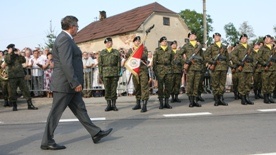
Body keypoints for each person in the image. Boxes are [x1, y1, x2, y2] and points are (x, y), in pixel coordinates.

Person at [41, 16, 112, 150]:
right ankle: (47, 141)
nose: (78, 29)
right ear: (72, 26)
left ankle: (95, 133)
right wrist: (74, 82)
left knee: (80, 109)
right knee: (55, 113)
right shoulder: (64, 39)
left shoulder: (67, 39)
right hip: (65, 84)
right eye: (77, 26)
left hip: (69, 85)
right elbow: (66, 63)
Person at [4, 44, 38, 111]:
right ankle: (14, 106)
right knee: (12, 92)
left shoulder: (17, 56)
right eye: (12, 49)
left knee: (25, 90)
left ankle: (30, 104)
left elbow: (23, 60)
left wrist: (19, 54)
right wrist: (10, 53)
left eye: (13, 49)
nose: (13, 50)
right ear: (8, 49)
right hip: (12, 77)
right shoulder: (7, 56)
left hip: (20, 76)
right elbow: (8, 61)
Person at [126, 36, 149, 112]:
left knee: (144, 87)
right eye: (136, 41)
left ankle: (144, 105)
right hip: (135, 72)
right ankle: (138, 103)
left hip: (143, 70)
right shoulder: (130, 50)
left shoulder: (143, 48)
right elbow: (127, 58)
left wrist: (138, 52)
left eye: (139, 41)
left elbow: (145, 56)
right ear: (134, 42)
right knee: (137, 87)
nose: (137, 42)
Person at [205, 33, 229, 106]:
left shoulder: (224, 47)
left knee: (222, 83)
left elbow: (227, 58)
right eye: (215, 37)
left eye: (218, 36)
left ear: (220, 37)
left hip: (223, 67)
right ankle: (216, 99)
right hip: (215, 68)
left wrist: (227, 67)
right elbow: (206, 56)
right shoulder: (211, 47)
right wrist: (212, 62)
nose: (217, 38)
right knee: (215, 84)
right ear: (213, 38)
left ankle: (221, 98)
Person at [180, 32, 204, 107]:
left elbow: (203, 57)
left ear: (195, 36)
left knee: (196, 85)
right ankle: (191, 101)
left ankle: (195, 100)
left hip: (198, 68)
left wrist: (202, 65)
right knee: (190, 85)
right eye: (190, 36)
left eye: (193, 35)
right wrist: (185, 61)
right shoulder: (186, 46)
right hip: (190, 68)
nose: (191, 36)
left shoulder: (199, 46)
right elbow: (179, 54)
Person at [98, 37, 121, 111]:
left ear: (112, 43)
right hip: (105, 73)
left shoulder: (116, 52)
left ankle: (114, 104)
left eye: (110, 42)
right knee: (107, 89)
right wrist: (100, 73)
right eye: (107, 43)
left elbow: (119, 63)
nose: (108, 44)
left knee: (114, 89)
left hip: (114, 72)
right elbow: (100, 64)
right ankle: (108, 104)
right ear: (105, 44)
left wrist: (119, 72)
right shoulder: (102, 53)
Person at [231, 34, 255, 105]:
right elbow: (232, 55)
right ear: (240, 40)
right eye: (243, 38)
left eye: (245, 38)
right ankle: (243, 98)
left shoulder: (250, 47)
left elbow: (254, 57)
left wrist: (252, 64)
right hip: (242, 68)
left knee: (248, 83)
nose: (244, 39)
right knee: (242, 83)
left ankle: (247, 97)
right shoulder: (238, 47)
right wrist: (239, 62)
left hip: (249, 67)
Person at [153, 36, 173, 109]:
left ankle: (167, 102)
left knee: (168, 87)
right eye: (163, 41)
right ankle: (161, 103)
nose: (165, 42)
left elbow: (172, 60)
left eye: (166, 41)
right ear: (160, 42)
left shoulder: (170, 50)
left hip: (168, 69)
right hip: (160, 70)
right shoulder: (157, 50)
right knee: (160, 87)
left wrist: (172, 69)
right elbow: (154, 61)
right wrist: (155, 71)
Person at [258, 35, 276, 103]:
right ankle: (266, 97)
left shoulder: (274, 49)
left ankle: (269, 96)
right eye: (266, 39)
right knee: (265, 83)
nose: (267, 40)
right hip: (266, 68)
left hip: (274, 68)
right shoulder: (262, 48)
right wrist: (264, 63)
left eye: (269, 38)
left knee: (272, 83)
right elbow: (258, 58)